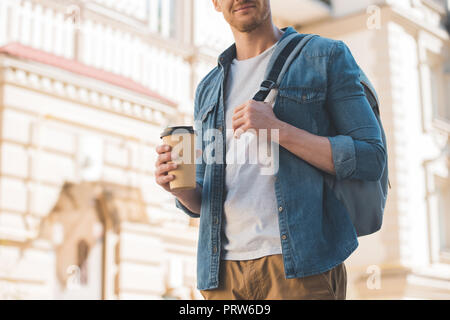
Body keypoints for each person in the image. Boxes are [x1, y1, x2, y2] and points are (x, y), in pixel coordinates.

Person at [155, 0, 386, 300]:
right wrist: (177, 188)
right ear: (215, 3)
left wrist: (276, 129)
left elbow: (370, 157)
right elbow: (204, 199)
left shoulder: (324, 56)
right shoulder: (208, 87)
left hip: (301, 269)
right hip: (223, 275)